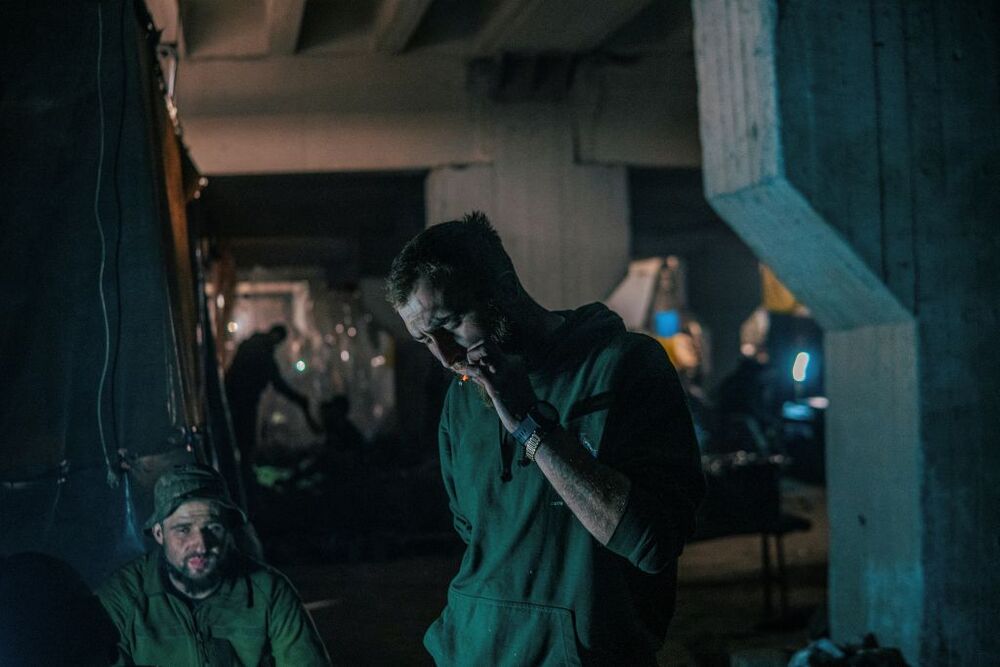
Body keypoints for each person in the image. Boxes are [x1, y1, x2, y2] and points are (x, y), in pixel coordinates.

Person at [386, 212, 706, 665]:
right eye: (424, 339)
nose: (445, 356)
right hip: (474, 652)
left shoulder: (624, 367)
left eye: (452, 322)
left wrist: (529, 425)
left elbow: (652, 543)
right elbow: (476, 535)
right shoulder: (461, 400)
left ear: (504, 287)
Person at [97, 464, 331, 666]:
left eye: (213, 527)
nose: (200, 544)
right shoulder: (123, 599)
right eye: (183, 529)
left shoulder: (269, 593)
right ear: (159, 533)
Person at [225, 324, 318, 497]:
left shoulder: (254, 346)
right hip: (242, 402)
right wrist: (298, 399)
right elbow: (277, 382)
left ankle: (240, 479)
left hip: (238, 400)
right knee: (244, 442)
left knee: (241, 441)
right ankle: (242, 482)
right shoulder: (259, 351)